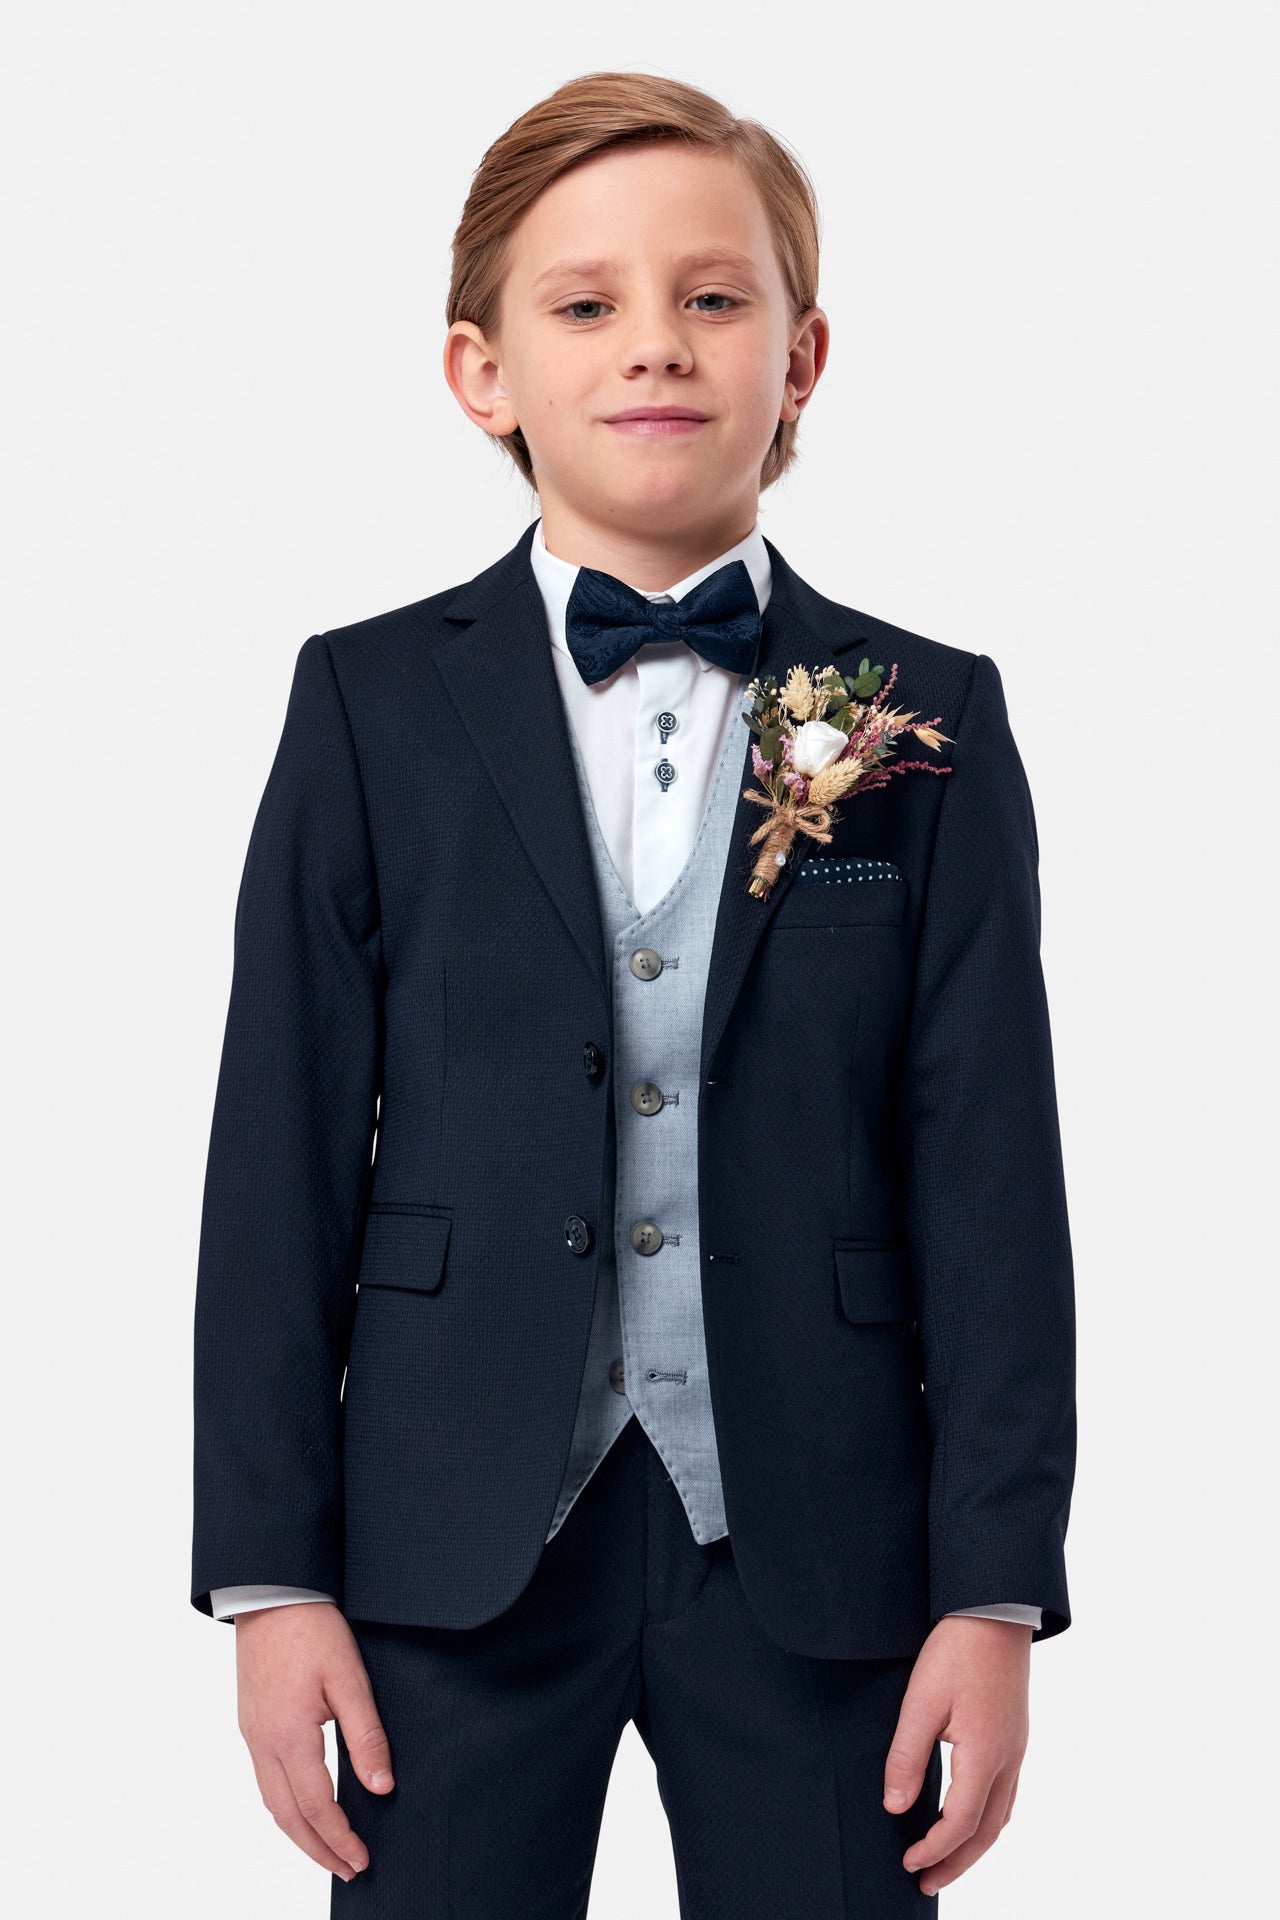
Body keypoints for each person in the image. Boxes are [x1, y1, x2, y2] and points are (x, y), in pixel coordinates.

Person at [191, 70, 1076, 1915]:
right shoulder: (367, 704)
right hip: (445, 1537)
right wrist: (272, 1580)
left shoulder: (917, 714)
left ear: (804, 353)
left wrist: (993, 1593)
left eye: (715, 297)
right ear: (482, 372)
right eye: (585, 305)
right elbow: (275, 1152)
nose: (655, 347)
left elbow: (989, 1172)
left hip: (826, 1545)